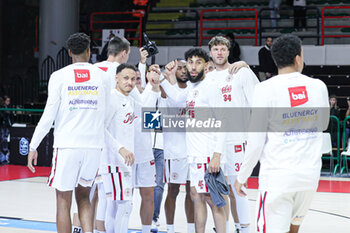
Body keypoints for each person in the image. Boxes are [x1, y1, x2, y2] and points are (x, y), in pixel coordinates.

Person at [234, 34, 330, 233]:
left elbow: (256, 141)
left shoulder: (264, 89)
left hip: (278, 178)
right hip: (309, 177)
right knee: (293, 229)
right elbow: (322, 124)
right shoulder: (318, 86)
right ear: (298, 58)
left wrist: (242, 176)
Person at [27, 32, 110, 233]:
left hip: (67, 146)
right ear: (90, 52)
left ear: (70, 52)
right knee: (84, 197)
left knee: (63, 200)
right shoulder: (103, 76)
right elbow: (106, 114)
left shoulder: (59, 76)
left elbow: (48, 115)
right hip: (93, 146)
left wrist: (33, 146)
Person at [207, 36, 259, 233]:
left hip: (238, 139)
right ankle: (224, 229)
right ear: (210, 53)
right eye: (215, 49)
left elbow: (256, 102)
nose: (219, 52)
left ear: (229, 52)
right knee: (219, 189)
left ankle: (244, 229)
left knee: (239, 188)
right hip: (214, 143)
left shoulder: (241, 72)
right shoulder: (207, 78)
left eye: (222, 49)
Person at [102, 63, 161, 233]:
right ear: (116, 79)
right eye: (125, 78)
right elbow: (101, 128)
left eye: (133, 79)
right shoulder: (112, 98)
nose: (129, 82)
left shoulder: (129, 101)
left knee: (120, 205)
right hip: (114, 161)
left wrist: (154, 86)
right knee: (123, 205)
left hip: (127, 160)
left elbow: (147, 112)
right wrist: (120, 148)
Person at [160, 58, 195, 233]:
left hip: (193, 149)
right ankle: (170, 229)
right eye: (179, 68)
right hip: (174, 150)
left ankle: (190, 229)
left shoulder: (194, 89)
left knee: (192, 192)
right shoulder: (166, 88)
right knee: (172, 191)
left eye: (185, 68)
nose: (182, 71)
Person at [0, 96, 11, 165]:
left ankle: (5, 158)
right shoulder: (3, 108)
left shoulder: (7, 108)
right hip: (3, 126)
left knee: (5, 141)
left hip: (5, 126)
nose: (8, 102)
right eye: (7, 101)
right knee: (3, 141)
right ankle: (3, 158)